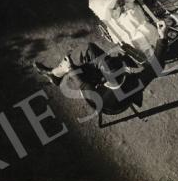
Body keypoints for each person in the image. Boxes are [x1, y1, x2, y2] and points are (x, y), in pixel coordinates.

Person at [34, 21, 169, 115]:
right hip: (114, 92)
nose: (127, 69)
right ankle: (58, 74)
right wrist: (162, 37)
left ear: (106, 81)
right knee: (91, 50)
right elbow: (157, 66)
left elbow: (83, 84)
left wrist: (69, 69)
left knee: (79, 63)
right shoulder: (134, 83)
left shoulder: (97, 95)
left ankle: (56, 74)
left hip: (103, 103)